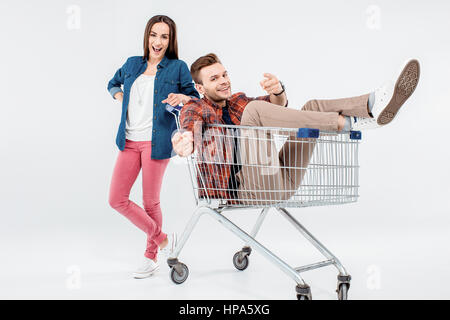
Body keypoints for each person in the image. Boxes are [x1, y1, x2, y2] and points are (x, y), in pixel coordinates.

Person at [171, 53, 420, 202]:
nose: (224, 81)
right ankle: (349, 123)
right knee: (255, 112)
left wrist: (278, 90)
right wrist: (183, 142)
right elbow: (187, 128)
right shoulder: (195, 106)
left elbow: (276, 106)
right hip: (242, 190)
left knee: (311, 106)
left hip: (281, 180)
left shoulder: (237, 101)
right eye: (215, 79)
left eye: (224, 74)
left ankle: (370, 105)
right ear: (201, 88)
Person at [107, 15, 200, 279]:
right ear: (147, 36)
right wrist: (119, 94)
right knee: (116, 199)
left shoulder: (177, 67)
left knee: (150, 201)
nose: (157, 42)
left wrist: (183, 96)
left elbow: (194, 98)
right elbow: (112, 82)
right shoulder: (132, 64)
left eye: (164, 37)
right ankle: (160, 237)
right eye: (154, 35)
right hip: (128, 140)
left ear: (170, 41)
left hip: (156, 141)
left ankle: (151, 257)